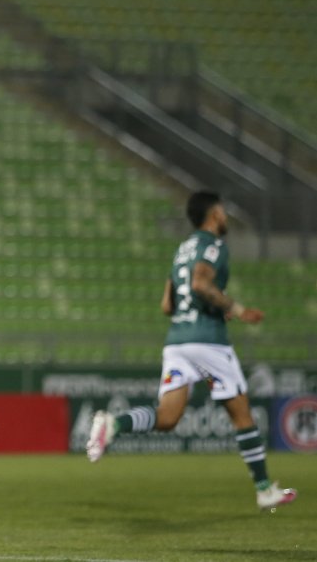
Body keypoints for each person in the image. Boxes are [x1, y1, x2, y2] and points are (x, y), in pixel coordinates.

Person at [86, 191, 297, 512]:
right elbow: (200, 285)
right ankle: (264, 489)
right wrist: (236, 309)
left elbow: (167, 304)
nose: (225, 217)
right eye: (223, 211)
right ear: (213, 215)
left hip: (177, 341)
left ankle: (114, 424)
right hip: (207, 341)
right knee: (241, 413)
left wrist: (212, 304)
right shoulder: (214, 246)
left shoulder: (181, 250)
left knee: (168, 417)